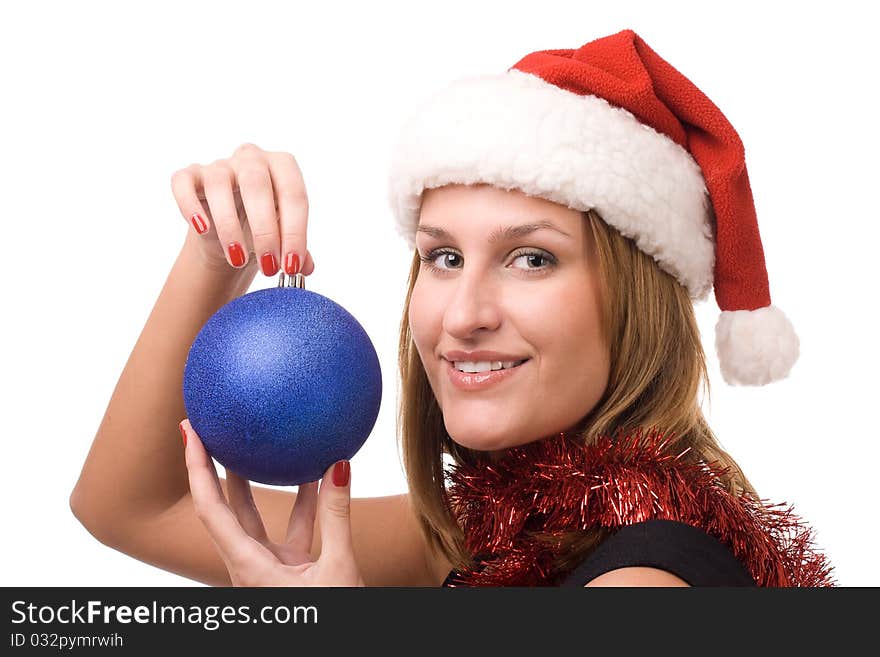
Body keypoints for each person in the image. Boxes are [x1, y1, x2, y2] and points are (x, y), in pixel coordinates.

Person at [70, 29, 834, 587]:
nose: (462, 315)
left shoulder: (644, 581)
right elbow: (131, 506)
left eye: (531, 258)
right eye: (443, 256)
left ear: (636, 303)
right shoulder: (486, 536)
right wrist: (219, 251)